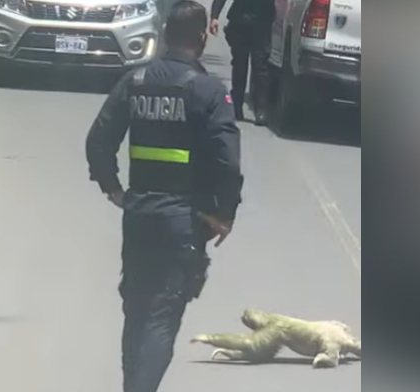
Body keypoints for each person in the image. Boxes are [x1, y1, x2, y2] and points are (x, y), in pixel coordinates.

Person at [84, 1, 244, 391]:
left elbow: (98, 140)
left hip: (138, 214)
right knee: (161, 316)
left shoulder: (135, 82)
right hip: (182, 222)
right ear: (202, 38)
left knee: (136, 312)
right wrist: (224, 215)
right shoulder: (208, 91)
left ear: (165, 34)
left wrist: (113, 188)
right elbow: (227, 161)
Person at [209, 0, 276, 125]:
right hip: (240, 19)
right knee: (239, 65)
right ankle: (236, 105)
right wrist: (214, 16)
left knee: (260, 67)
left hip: (262, 21)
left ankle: (261, 109)